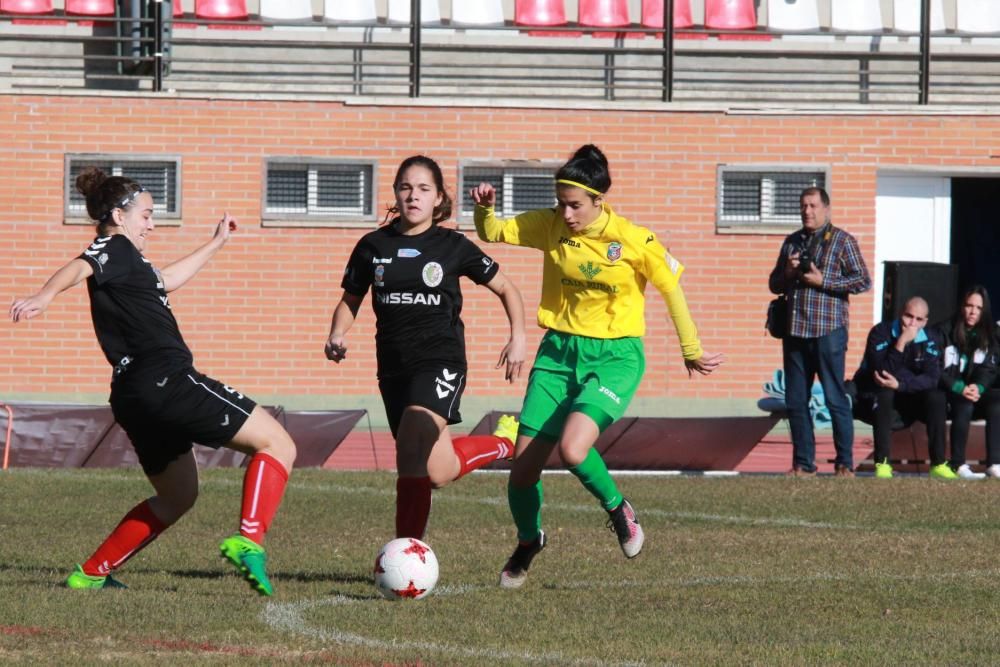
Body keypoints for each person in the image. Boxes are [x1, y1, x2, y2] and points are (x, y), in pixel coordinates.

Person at [9, 167, 296, 595]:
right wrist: (44, 296)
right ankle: (248, 540)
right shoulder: (114, 247)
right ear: (119, 215)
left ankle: (89, 574)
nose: (152, 223)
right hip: (166, 379)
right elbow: (82, 264)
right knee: (279, 444)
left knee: (178, 495)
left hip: (132, 394)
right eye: (146, 214)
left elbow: (165, 282)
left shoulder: (133, 263)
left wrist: (216, 243)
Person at [470, 144, 724, 589]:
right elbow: (493, 233)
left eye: (575, 205)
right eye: (561, 203)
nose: (565, 213)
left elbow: (671, 289)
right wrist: (485, 210)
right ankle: (529, 541)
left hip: (615, 358)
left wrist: (691, 348)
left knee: (572, 449)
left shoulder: (633, 239)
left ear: (598, 201)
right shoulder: (551, 226)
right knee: (523, 471)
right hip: (557, 355)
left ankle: (618, 508)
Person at [325, 155, 526, 541]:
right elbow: (351, 299)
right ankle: (504, 442)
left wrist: (518, 336)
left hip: (440, 360)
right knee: (437, 470)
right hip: (394, 368)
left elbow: (506, 287)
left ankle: (407, 553)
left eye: (423, 189)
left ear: (438, 199)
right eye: (405, 187)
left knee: (411, 446)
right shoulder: (372, 245)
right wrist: (337, 333)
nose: (413, 196)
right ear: (396, 194)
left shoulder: (453, 246)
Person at [768, 187, 871, 478]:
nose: (807, 211)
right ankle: (803, 463)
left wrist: (824, 280)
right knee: (796, 399)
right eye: (803, 206)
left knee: (834, 397)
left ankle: (844, 464)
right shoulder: (791, 242)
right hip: (795, 331)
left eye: (813, 205)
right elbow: (774, 284)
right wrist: (787, 273)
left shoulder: (841, 240)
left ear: (826, 208)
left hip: (829, 331)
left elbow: (863, 280)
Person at [852, 296, 954, 480]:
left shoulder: (931, 337)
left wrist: (902, 384)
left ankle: (938, 463)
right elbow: (881, 372)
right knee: (884, 391)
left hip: (909, 395)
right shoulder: (880, 332)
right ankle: (882, 464)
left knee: (937, 397)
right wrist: (900, 342)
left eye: (918, 319)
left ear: (925, 321)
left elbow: (932, 378)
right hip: (877, 397)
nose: (912, 324)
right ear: (901, 314)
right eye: (908, 316)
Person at [935, 285, 1000, 479]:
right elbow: (935, 368)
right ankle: (958, 464)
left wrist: (978, 386)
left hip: (975, 390)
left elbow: (990, 366)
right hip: (952, 390)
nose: (973, 312)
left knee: (997, 403)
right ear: (961, 306)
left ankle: (995, 463)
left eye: (978, 308)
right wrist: (958, 387)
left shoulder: (990, 334)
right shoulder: (943, 331)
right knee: (964, 405)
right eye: (969, 306)